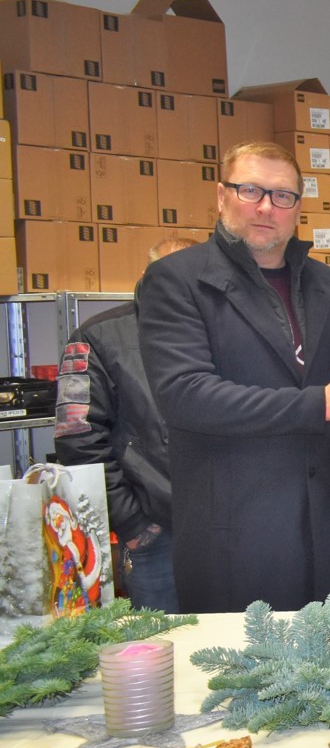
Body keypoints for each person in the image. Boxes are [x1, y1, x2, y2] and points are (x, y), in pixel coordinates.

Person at [140, 142, 330, 614]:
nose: (265, 207)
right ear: (221, 196)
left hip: (329, 531)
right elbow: (186, 395)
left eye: (282, 196)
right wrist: (317, 404)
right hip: (236, 536)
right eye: (250, 190)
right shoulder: (176, 280)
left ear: (298, 207)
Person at [54, 235, 197, 613]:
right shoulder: (97, 336)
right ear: (148, 275)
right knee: (163, 649)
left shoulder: (221, 330)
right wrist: (133, 525)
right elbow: (77, 437)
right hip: (156, 531)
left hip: (227, 526)